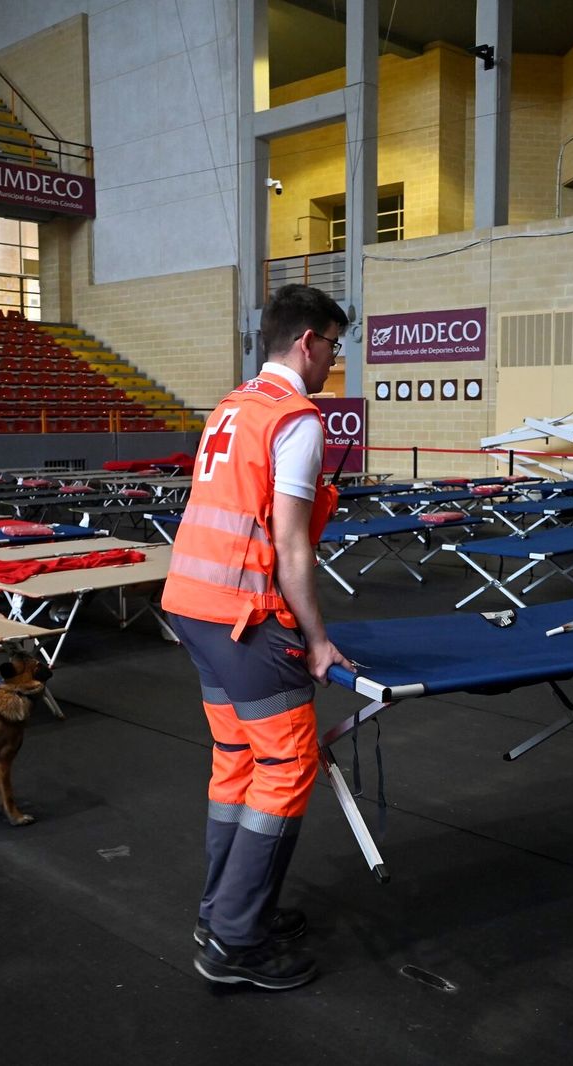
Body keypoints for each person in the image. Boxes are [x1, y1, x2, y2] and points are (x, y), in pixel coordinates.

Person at [161, 284, 349, 990]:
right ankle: (236, 940)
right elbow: (292, 547)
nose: (334, 360)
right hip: (246, 621)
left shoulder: (232, 408)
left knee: (237, 761)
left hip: (195, 611)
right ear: (307, 342)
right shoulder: (294, 420)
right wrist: (320, 640)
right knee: (287, 767)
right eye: (333, 345)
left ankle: (224, 911)